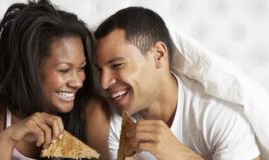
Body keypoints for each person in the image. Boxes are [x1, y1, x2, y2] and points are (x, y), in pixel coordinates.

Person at [92, 7, 261, 160]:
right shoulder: (115, 124)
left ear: (158, 55)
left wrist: (182, 156)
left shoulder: (220, 115)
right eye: (100, 70)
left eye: (117, 65)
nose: (104, 82)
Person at [0, 0, 109, 159]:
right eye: (64, 70)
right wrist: (8, 139)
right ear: (30, 69)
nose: (77, 82)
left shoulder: (93, 112)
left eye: (81, 68)